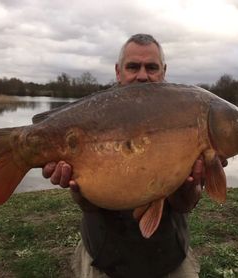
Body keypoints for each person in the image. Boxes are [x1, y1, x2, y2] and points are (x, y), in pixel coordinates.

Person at [43, 34, 204, 278]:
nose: (142, 75)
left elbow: (185, 204)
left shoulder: (186, 117)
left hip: (168, 256)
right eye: (132, 67)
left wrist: (190, 186)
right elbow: (89, 206)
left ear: (163, 72)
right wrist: (77, 187)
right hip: (104, 258)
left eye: (151, 67)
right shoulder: (94, 115)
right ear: (118, 72)